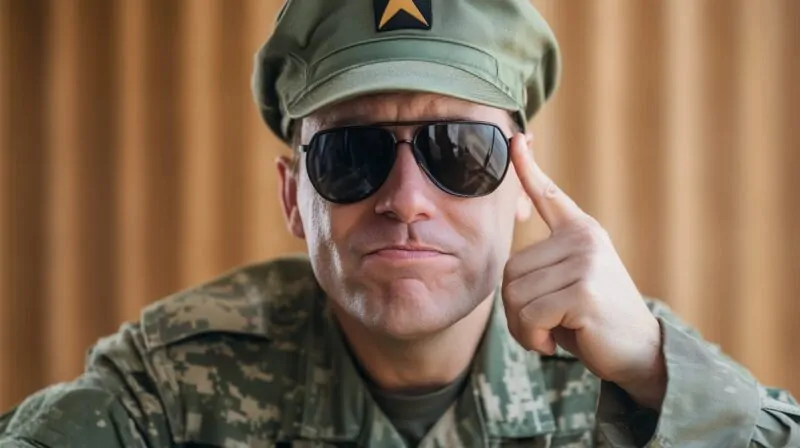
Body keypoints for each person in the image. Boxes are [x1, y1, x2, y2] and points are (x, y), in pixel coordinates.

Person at [1, 0, 798, 446]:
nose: (407, 198)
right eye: (351, 155)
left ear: (521, 181)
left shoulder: (627, 374)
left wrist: (658, 374)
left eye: (460, 150)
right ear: (293, 199)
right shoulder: (175, 384)